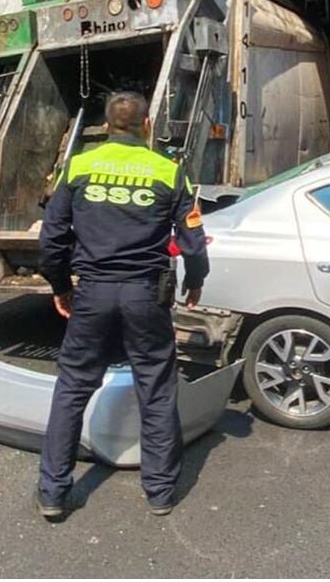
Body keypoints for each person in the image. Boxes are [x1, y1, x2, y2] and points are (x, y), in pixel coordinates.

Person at [36, 91, 209, 520]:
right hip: (145, 294)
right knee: (156, 387)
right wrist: (197, 281)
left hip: (92, 292)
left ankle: (53, 492)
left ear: (107, 126)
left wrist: (61, 286)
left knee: (72, 388)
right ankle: (160, 492)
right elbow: (193, 240)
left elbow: (51, 241)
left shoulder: (78, 167)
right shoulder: (169, 172)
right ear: (146, 126)